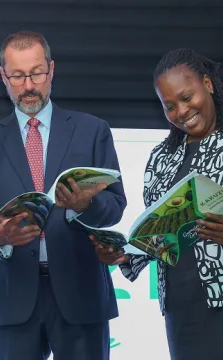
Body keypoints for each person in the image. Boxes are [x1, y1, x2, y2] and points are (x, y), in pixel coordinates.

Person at [0, 31, 127, 360]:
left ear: (51, 70)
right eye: (17, 76)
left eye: (36, 73)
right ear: (3, 77)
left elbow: (115, 206)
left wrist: (86, 205)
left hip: (82, 295)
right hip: (12, 298)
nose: (28, 86)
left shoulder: (92, 131)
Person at [91, 48, 223, 360]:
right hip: (181, 308)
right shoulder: (160, 158)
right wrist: (123, 255)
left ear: (208, 84)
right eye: (170, 106)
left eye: (187, 96)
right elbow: (160, 234)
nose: (182, 111)